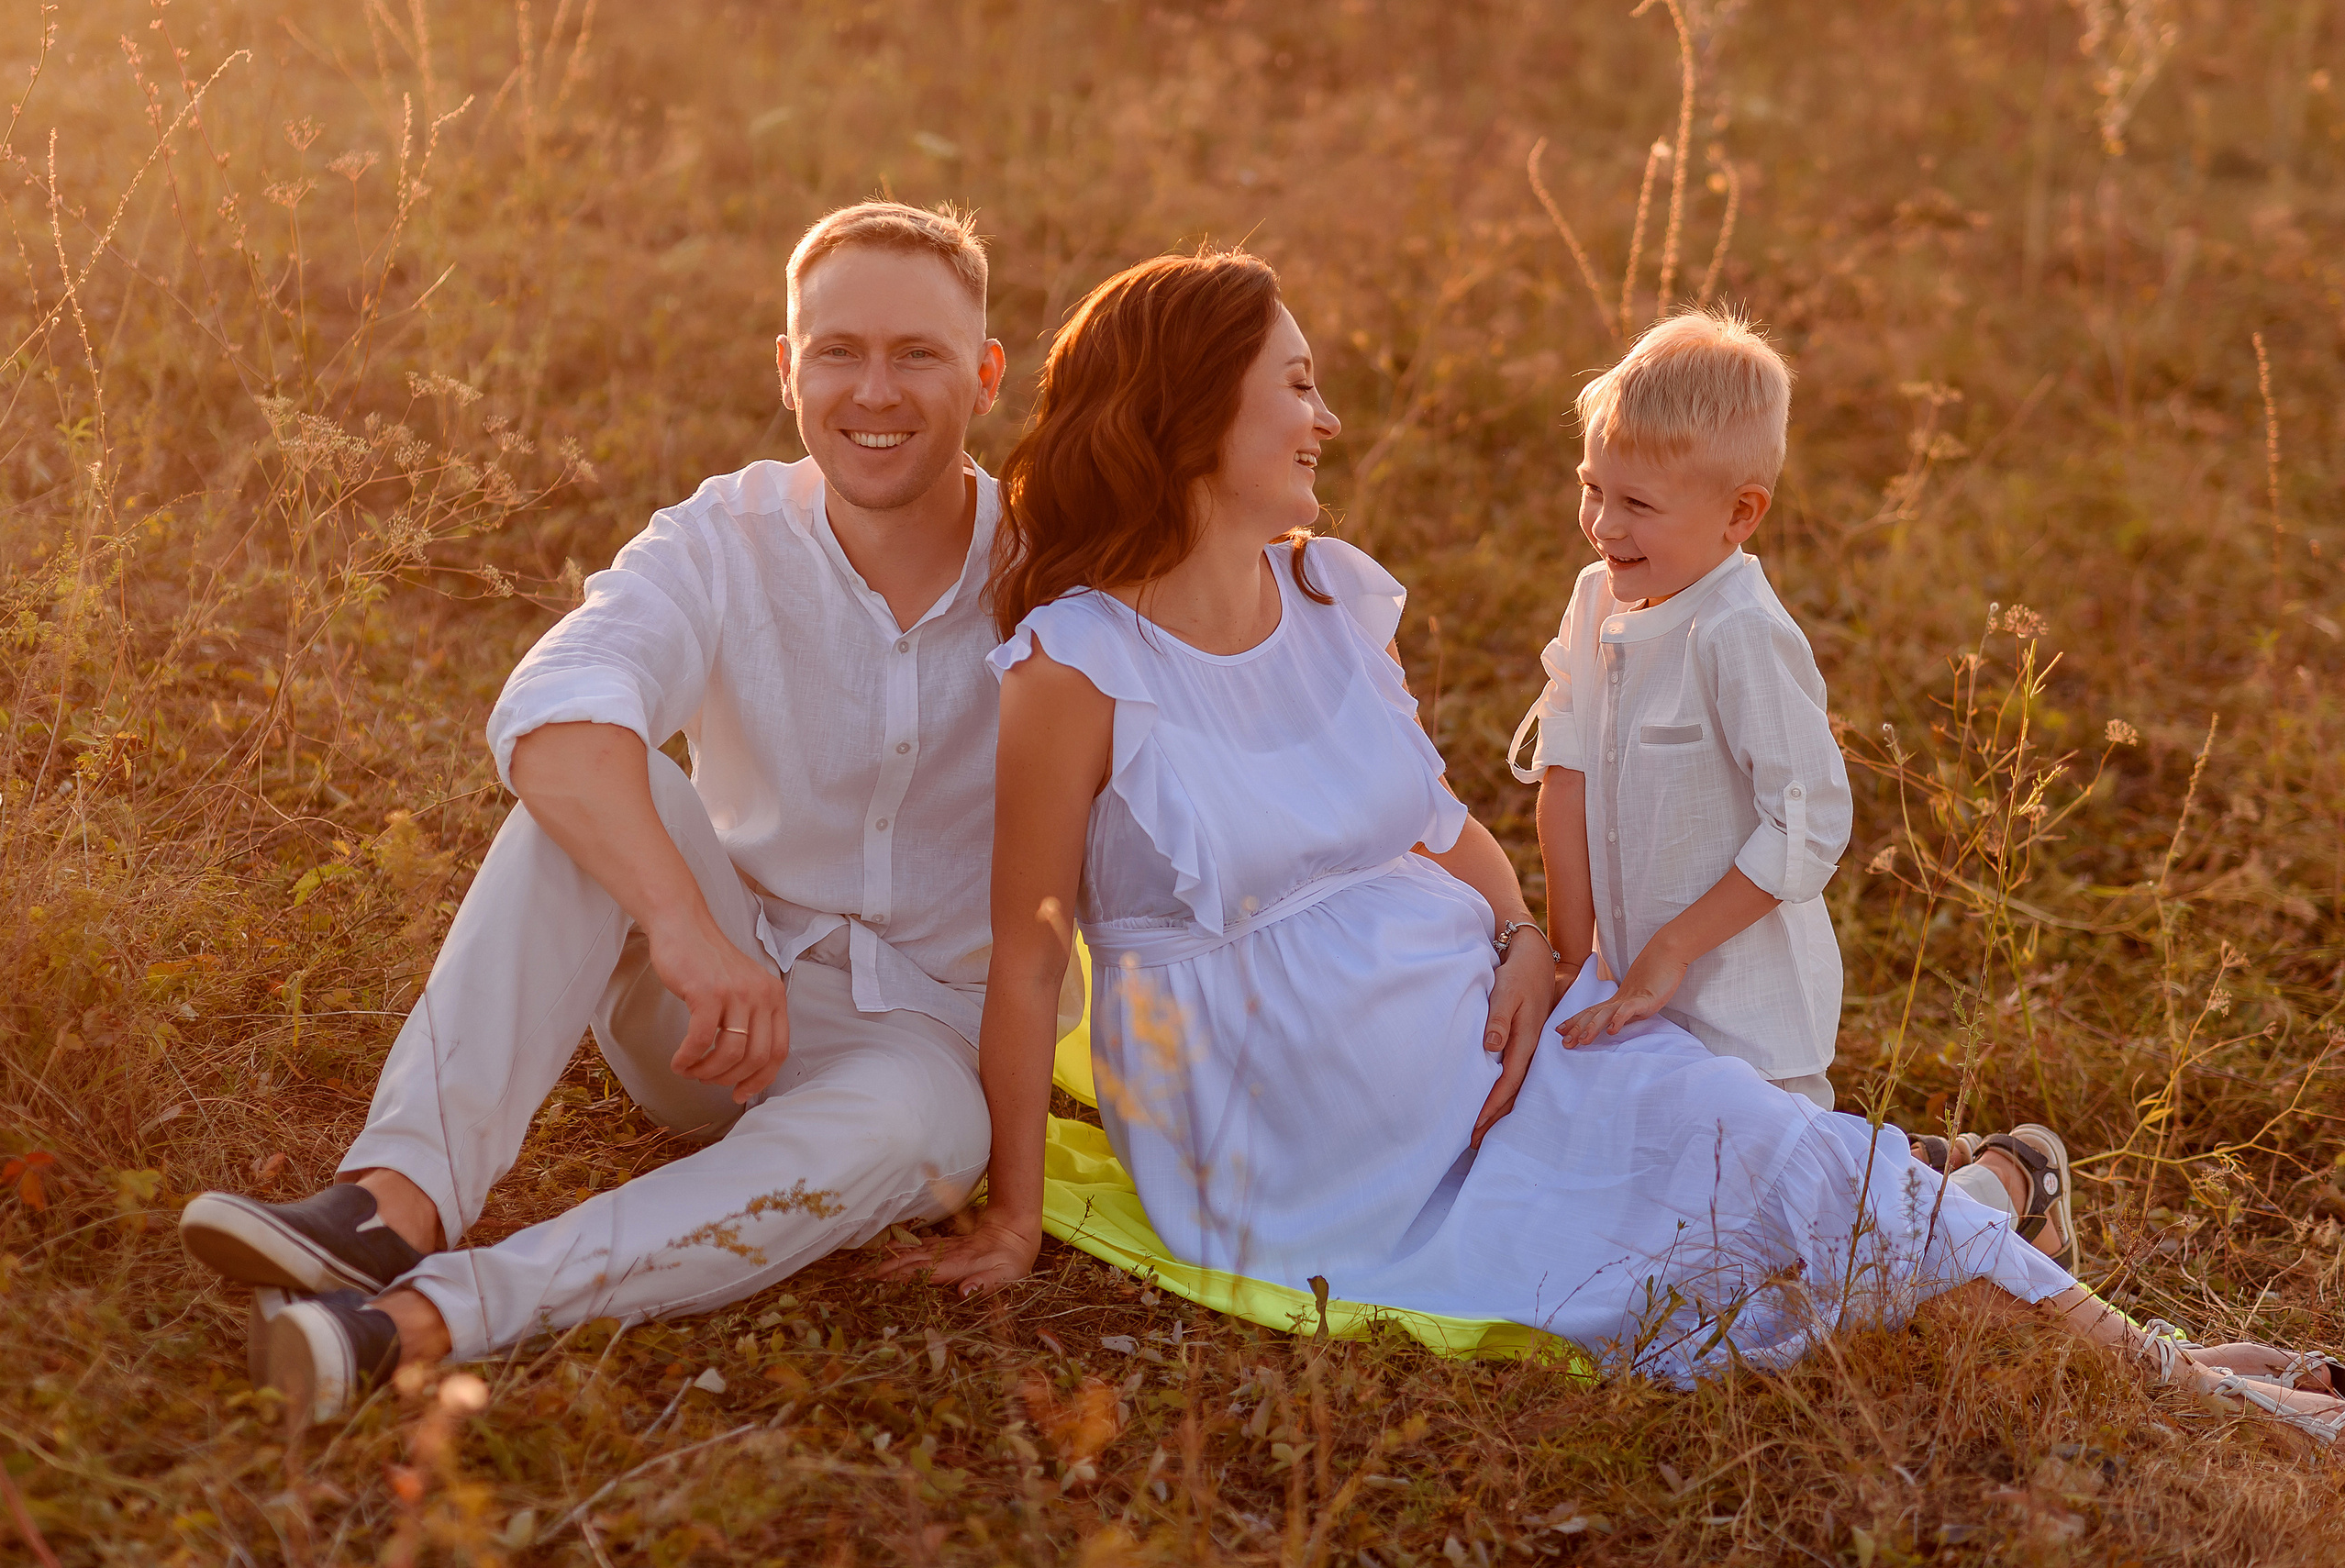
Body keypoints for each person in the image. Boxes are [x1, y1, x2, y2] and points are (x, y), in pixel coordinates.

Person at [884, 249, 2345, 1445]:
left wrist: (1529, 943)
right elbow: (1028, 958)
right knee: (1776, 1194)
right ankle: (2193, 1370)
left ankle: (2199, 1374)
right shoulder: (1074, 668)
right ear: (1199, 413)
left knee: (1787, 1182)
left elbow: (1445, 829)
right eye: (1300, 385)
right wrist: (1016, 1216)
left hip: (1496, 1031)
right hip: (1303, 1147)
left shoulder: (1327, 594)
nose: (1327, 418)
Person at [179, 200, 1014, 1426]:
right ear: (789, 371)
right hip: (712, 1012)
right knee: (586, 788)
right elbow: (555, 706)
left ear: (985, 376)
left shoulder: (1054, 573)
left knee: (913, 1127)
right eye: (837, 350)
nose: (871, 390)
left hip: (925, 1043)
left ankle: (427, 1317)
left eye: (917, 353)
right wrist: (685, 928)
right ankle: (390, 1205)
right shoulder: (723, 538)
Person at [1510, 309, 1850, 1115]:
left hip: (1744, 1016)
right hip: (1626, 991)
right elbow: (1567, 775)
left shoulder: (1740, 632)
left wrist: (1669, 951)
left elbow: (1807, 824)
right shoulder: (1596, 600)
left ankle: (1990, 1182)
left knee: (1768, 1210)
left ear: (1740, 514)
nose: (1604, 525)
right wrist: (1569, 956)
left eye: (1638, 503)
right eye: (1593, 488)